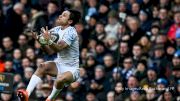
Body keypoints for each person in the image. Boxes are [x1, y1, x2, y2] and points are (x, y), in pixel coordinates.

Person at [17, 9, 81, 101]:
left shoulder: (71, 31)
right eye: (61, 14)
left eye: (64, 15)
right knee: (42, 66)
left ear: (70, 21)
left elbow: (59, 48)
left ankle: (50, 98)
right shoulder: (56, 30)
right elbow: (49, 52)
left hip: (72, 69)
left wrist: (49, 40)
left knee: (60, 78)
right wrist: (40, 41)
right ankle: (26, 94)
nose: (60, 16)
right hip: (60, 65)